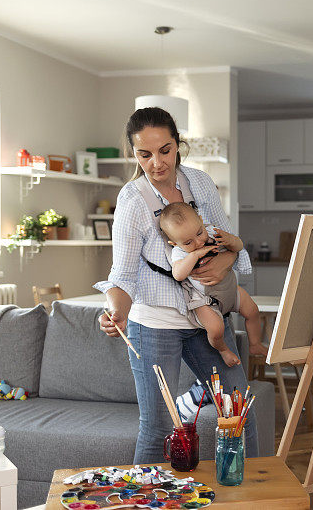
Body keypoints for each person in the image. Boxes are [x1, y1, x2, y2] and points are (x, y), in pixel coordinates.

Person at [95, 107, 263, 464]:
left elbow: (227, 241)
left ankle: (250, 500)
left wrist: (225, 262)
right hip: (155, 322)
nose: (157, 163)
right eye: (145, 154)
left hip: (206, 315)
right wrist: (115, 313)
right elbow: (123, 275)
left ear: (178, 145)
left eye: (165, 150)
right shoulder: (131, 200)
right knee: (158, 428)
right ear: (133, 154)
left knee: (238, 411)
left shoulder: (200, 183)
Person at [158, 202, 264, 368]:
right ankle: (223, 350)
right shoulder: (179, 253)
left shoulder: (213, 232)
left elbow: (239, 246)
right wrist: (195, 255)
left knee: (253, 311)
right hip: (205, 300)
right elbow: (178, 274)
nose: (198, 242)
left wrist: (230, 240)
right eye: (188, 242)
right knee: (216, 330)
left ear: (201, 221)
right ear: (174, 243)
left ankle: (255, 343)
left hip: (230, 290)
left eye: (199, 233)